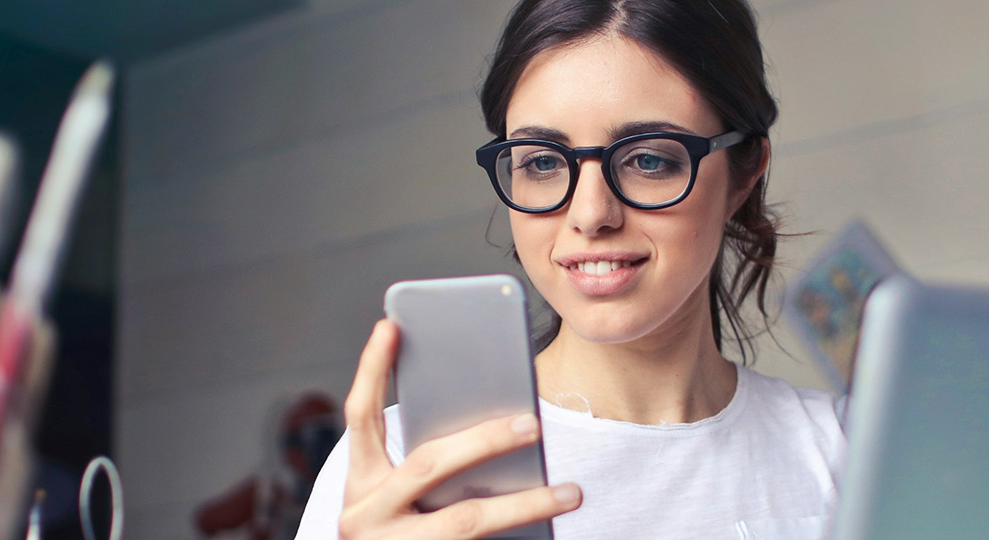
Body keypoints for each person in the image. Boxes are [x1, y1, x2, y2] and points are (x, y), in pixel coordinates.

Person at [295, 1, 844, 538]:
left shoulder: (851, 450)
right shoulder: (400, 471)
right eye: (542, 162)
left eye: (648, 159)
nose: (590, 215)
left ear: (744, 173)